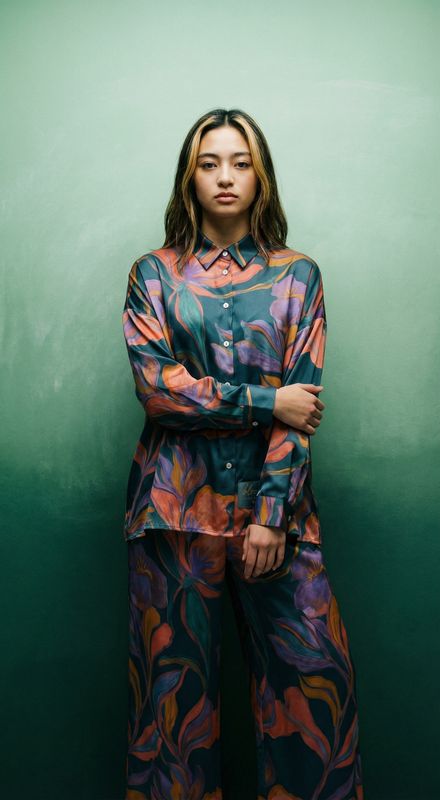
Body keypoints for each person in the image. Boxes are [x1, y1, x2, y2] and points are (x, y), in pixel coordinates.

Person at [121, 107, 364, 800]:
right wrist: (265, 401)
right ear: (187, 177)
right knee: (171, 719)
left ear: (260, 176)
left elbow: (303, 407)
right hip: (172, 514)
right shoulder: (153, 276)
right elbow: (160, 391)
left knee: (316, 690)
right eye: (208, 163)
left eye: (239, 161)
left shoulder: (297, 277)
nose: (224, 176)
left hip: (276, 515)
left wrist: (269, 515)